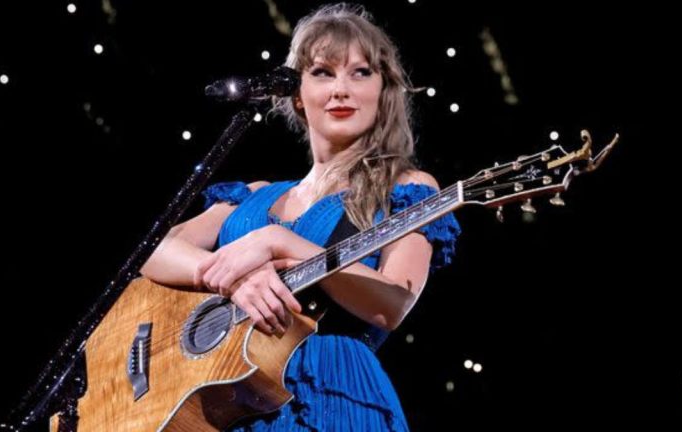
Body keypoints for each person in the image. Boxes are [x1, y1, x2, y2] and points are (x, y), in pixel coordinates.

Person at [141, 3, 460, 430]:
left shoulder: (407, 188)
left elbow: (392, 305)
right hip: (226, 397)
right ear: (296, 93)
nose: (341, 89)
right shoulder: (253, 195)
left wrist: (281, 243)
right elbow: (151, 252)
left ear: (383, 91)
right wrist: (231, 276)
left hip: (335, 395)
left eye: (360, 73)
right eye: (323, 72)